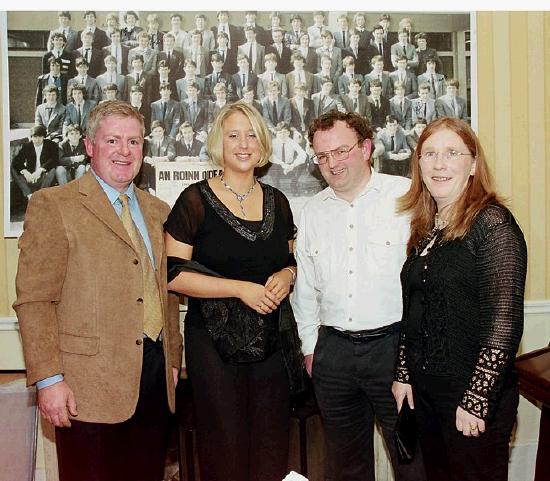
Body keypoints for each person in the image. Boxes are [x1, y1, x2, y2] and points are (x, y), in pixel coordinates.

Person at [14, 100, 183, 481]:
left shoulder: (159, 211)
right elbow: (34, 300)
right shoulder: (54, 205)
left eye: (134, 142)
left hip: (154, 382)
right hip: (84, 387)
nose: (124, 151)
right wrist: (49, 380)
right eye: (113, 140)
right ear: (90, 145)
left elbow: (167, 293)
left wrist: (173, 359)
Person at [164, 101, 304, 481]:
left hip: (272, 343)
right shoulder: (194, 200)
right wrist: (239, 289)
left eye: (252, 135)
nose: (244, 144)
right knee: (223, 447)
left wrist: (288, 276)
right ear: (218, 144)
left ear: (263, 144)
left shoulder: (280, 201)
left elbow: (292, 261)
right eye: (233, 135)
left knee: (272, 446)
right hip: (212, 344)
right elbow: (173, 274)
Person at [292, 111, 425, 481]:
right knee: (345, 467)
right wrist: (310, 348)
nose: (332, 163)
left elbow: (428, 285)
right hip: (333, 355)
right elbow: (305, 290)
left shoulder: (406, 197)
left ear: (366, 148)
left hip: (394, 352)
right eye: (322, 156)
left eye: (341, 151)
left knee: (411, 461)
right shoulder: (312, 212)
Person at [392, 117, 527, 481]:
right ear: (418, 165)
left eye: (452, 153)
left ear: (472, 164)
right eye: (430, 154)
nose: (439, 164)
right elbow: (415, 310)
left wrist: (477, 399)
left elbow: (504, 321)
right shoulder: (426, 229)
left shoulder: (493, 224)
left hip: (471, 396)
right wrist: (404, 373)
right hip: (426, 392)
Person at [11, 125, 59, 200]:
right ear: (31, 137)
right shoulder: (27, 146)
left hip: (42, 177)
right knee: (14, 170)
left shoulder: (51, 145)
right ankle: (29, 195)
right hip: (30, 176)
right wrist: (25, 172)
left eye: (40, 137)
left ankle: (40, 195)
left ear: (44, 137)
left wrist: (41, 169)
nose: (37, 140)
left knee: (52, 170)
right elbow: (17, 161)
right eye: (35, 137)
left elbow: (54, 159)